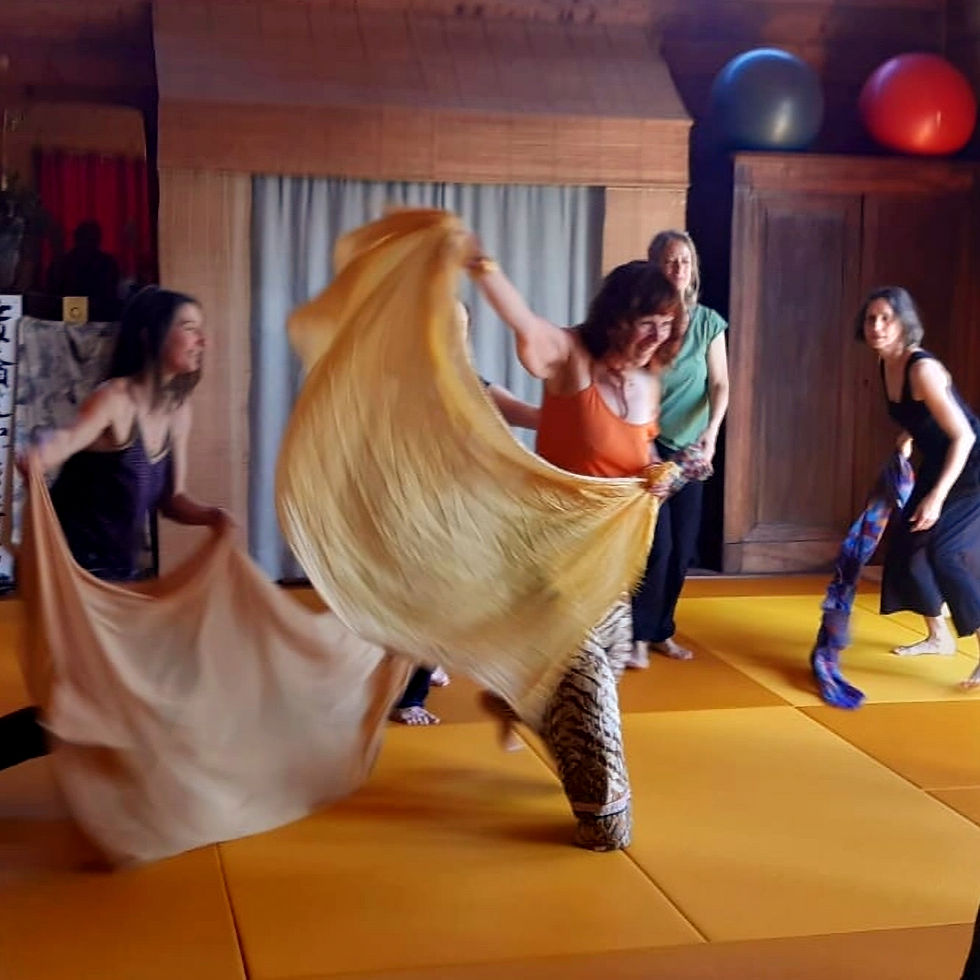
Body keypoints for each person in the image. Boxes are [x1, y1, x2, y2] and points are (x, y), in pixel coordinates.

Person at [464, 241, 684, 850]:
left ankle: (517, 697)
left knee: (603, 668)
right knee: (587, 687)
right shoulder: (571, 359)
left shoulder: (649, 379)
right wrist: (484, 267)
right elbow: (523, 323)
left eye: (666, 325)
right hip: (549, 557)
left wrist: (656, 477)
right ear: (617, 315)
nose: (655, 336)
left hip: (610, 561)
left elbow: (638, 456)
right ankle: (603, 816)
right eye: (646, 322)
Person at [0, 286, 228, 771]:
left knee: (106, 700)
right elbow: (66, 442)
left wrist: (212, 517)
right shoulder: (114, 400)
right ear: (151, 336)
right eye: (189, 327)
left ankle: (138, 786)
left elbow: (171, 500)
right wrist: (39, 457)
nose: (201, 339)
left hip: (117, 577)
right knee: (85, 706)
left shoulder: (177, 413)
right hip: (72, 575)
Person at [390, 302, 540, 725]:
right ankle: (408, 696)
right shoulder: (406, 385)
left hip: (461, 508)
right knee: (426, 597)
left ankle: (430, 655)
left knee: (457, 593)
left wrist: (578, 410)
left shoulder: (471, 384)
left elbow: (524, 414)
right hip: (418, 507)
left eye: (459, 327)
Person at [858, 286, 980, 689]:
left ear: (904, 322)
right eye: (871, 318)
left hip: (971, 467)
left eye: (886, 318)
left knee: (944, 552)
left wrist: (936, 496)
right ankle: (939, 637)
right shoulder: (885, 363)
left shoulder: (921, 368)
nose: (876, 326)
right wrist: (910, 435)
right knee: (908, 551)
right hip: (940, 461)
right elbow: (922, 413)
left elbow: (963, 436)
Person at [628, 230, 729, 667]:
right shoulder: (642, 319)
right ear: (654, 267)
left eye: (685, 261)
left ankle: (662, 631)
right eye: (670, 262)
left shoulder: (708, 322)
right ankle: (634, 635)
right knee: (657, 547)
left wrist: (712, 433)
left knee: (683, 548)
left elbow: (720, 384)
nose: (678, 269)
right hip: (647, 448)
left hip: (692, 451)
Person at [46, 220, 122, 321]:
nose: (88, 243)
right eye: (86, 238)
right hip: (70, 318)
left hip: (97, 318)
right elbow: (53, 297)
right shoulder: (62, 263)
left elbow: (109, 296)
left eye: (91, 239)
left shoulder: (107, 263)